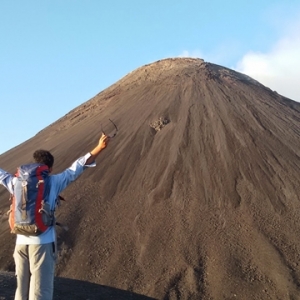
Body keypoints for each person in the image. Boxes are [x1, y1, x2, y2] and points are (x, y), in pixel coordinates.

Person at [0, 133, 109, 300]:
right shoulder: (53, 182)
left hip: (20, 243)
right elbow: (77, 167)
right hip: (41, 244)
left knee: (21, 293)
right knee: (40, 293)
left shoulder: (17, 182)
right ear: (48, 169)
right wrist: (99, 148)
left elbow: (1, 176)